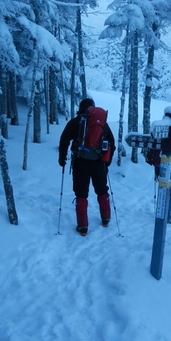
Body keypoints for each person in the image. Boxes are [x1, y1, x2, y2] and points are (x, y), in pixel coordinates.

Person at [58, 98, 116, 237]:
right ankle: (106, 219)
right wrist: (107, 162)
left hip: (80, 162)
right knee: (102, 190)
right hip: (99, 163)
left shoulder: (75, 122)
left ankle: (83, 227)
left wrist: (62, 158)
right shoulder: (102, 123)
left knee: (81, 193)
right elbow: (112, 143)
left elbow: (64, 139)